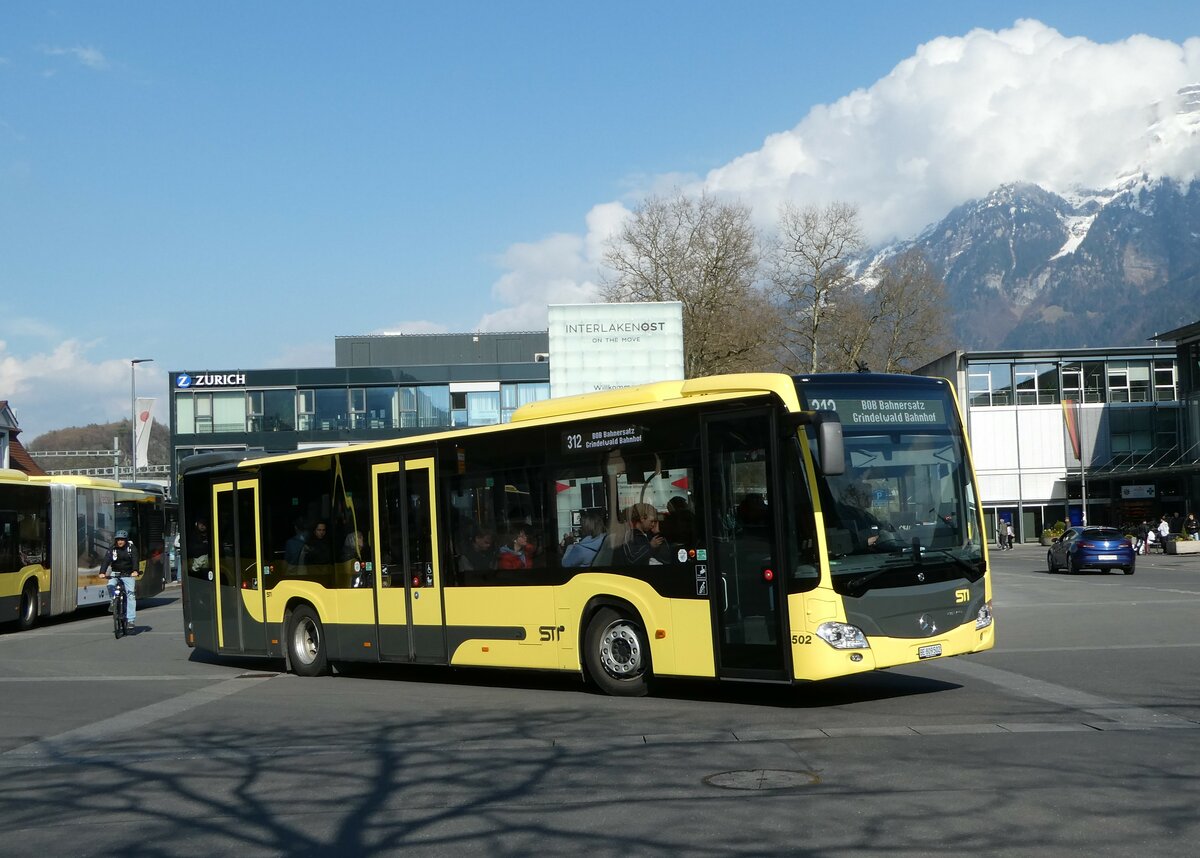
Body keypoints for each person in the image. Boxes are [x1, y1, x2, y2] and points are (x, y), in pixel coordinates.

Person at [100, 530, 140, 632]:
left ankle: (131, 620)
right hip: (116, 572)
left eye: (122, 540)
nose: (120, 542)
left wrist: (135, 571)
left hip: (128, 573)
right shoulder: (112, 548)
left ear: (126, 540)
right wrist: (102, 572)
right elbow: (106, 560)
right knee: (110, 585)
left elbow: (135, 559)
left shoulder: (131, 548)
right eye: (118, 540)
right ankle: (113, 601)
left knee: (130, 594)